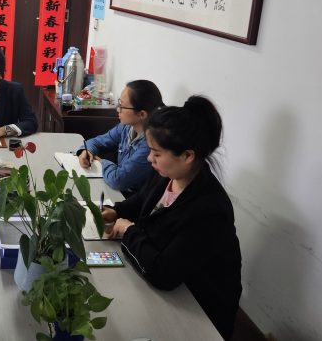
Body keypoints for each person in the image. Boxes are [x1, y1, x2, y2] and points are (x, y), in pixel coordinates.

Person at [101, 96, 242, 340]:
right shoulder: (168, 173)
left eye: (156, 153)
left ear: (187, 156)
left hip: (197, 308)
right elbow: (141, 201)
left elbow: (163, 273)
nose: (149, 159)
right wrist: (116, 211)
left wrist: (128, 230)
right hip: (162, 286)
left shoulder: (209, 210)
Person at [77, 80, 163, 196]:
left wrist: (101, 162)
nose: (118, 109)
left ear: (142, 114)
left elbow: (118, 180)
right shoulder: (126, 127)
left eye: (122, 106)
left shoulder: (149, 146)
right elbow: (98, 142)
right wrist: (87, 151)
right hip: (116, 192)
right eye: (119, 103)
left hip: (130, 198)